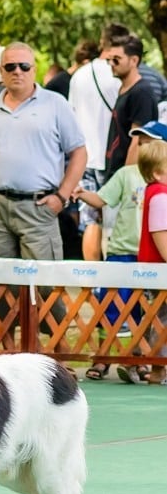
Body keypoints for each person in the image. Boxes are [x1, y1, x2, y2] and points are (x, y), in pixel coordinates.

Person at [0, 42, 86, 328]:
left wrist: (62, 196)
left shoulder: (55, 104)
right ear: (2, 71)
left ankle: (56, 355)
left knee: (46, 282)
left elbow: (79, 152)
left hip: (39, 205)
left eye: (24, 66)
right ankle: (3, 352)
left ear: (34, 70)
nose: (17, 72)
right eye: (10, 66)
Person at [73, 122, 165, 379]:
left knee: (145, 313)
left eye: (150, 141)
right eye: (140, 141)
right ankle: (103, 358)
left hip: (148, 256)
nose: (143, 145)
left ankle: (138, 360)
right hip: (122, 251)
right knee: (112, 307)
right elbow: (103, 199)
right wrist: (81, 194)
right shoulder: (127, 174)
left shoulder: (163, 179)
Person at [69, 26, 123, 262]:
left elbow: (71, 115)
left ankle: (92, 285)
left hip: (85, 158)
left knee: (91, 221)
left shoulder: (80, 75)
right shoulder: (118, 75)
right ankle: (114, 286)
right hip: (113, 159)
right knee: (116, 222)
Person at [131, 139, 167, 384]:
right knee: (162, 317)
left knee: (157, 315)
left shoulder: (153, 193)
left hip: (153, 266)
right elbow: (160, 232)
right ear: (157, 172)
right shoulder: (161, 196)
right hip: (160, 267)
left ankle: (149, 360)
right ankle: (158, 365)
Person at [105, 34, 158, 181]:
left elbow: (138, 142)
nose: (111, 63)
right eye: (109, 59)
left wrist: (125, 182)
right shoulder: (124, 89)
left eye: (116, 59)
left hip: (127, 177)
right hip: (114, 173)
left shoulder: (141, 92)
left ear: (134, 60)